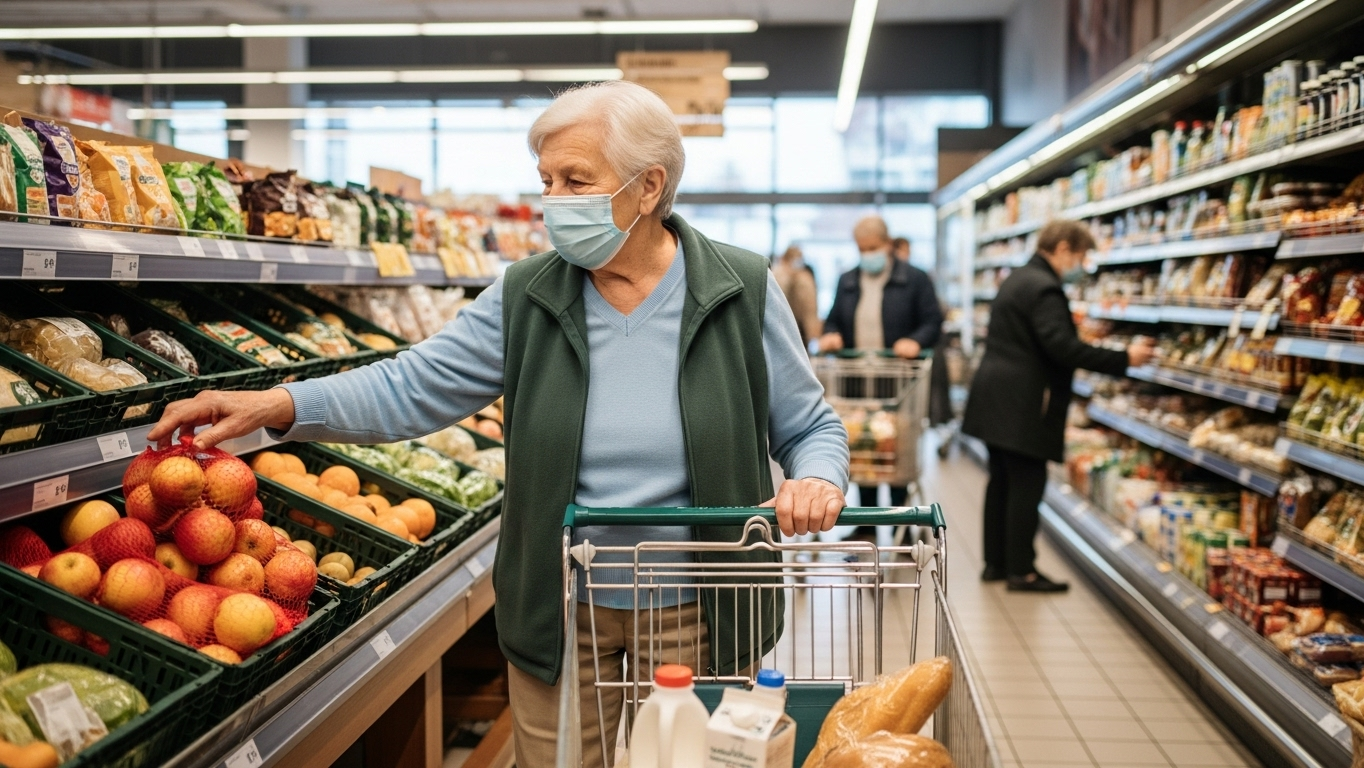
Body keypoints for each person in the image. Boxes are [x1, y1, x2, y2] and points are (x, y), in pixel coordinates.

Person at [145, 81, 850, 768]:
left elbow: (809, 425)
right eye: (546, 180)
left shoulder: (739, 289)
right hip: (561, 596)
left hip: (700, 595)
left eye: (576, 181)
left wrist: (817, 478)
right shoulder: (527, 295)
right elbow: (412, 384)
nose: (553, 202)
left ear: (648, 186)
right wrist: (278, 405)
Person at [961, 220, 1155, 593]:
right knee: (1027, 482)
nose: (1081, 265)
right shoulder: (1045, 289)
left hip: (995, 394)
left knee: (1001, 480)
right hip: (1024, 401)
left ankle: (996, 564)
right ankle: (1022, 571)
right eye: (1081, 256)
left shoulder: (1018, 277)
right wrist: (1124, 357)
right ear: (1063, 248)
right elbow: (1063, 348)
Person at [819, 216, 942, 507]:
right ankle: (869, 521)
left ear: (888, 244)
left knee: (897, 447)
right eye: (861, 249)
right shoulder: (847, 280)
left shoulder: (915, 279)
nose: (867, 255)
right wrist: (832, 334)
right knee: (865, 446)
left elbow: (933, 321)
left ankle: (901, 516)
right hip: (858, 380)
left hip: (898, 381)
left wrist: (916, 340)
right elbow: (833, 319)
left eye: (872, 247)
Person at [772, 244, 820, 345]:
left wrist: (813, 334)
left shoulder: (805, 279)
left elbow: (810, 310)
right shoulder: (777, 275)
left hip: (800, 331)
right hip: (779, 329)